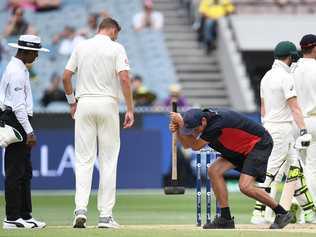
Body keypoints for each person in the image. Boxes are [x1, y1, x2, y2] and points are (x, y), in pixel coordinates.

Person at [63, 17, 134, 229]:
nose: (116, 37)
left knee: (84, 160)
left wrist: (72, 102)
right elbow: (124, 79)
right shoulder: (116, 47)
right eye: (116, 33)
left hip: (84, 103)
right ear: (112, 30)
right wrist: (130, 109)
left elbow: (66, 77)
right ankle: (105, 216)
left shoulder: (81, 46)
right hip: (107, 104)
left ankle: (80, 210)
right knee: (108, 161)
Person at [170, 107, 292, 229]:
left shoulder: (215, 125)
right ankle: (225, 219)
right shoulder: (202, 120)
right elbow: (187, 144)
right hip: (239, 146)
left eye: (196, 129)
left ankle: (282, 213)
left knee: (245, 187)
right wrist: (177, 131)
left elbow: (195, 146)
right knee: (214, 171)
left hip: (258, 144)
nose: (194, 133)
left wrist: (180, 126)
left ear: (203, 121)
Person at [251, 41, 316, 225]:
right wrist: (303, 130)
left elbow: (263, 108)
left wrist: (267, 126)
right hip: (283, 130)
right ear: (290, 57)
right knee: (272, 172)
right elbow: (295, 108)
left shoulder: (267, 76)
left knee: (296, 170)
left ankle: (310, 212)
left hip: (271, 126)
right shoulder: (286, 77)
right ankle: (259, 213)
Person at [0, 34, 49, 229]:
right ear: (26, 51)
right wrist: (29, 131)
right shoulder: (16, 71)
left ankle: (25, 215)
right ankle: (12, 218)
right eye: (35, 52)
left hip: (17, 119)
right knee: (15, 171)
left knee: (24, 171)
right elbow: (19, 106)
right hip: (16, 121)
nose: (36, 56)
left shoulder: (19, 68)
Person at [292, 34, 316, 202]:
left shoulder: (293, 68)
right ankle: (309, 209)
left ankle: (296, 202)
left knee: (297, 166)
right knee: (312, 168)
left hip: (295, 122)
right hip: (313, 120)